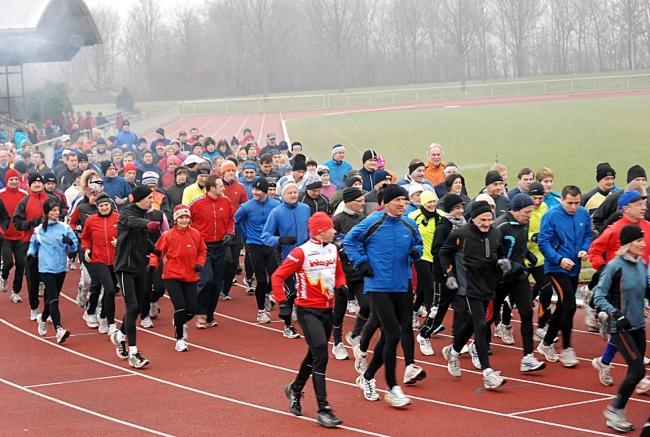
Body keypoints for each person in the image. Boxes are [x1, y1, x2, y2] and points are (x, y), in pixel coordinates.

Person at [344, 184, 423, 407]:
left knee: (391, 336)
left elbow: (418, 244)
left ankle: (367, 377)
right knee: (392, 332)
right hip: (378, 284)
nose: (402, 204)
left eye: (405, 201)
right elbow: (350, 241)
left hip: (402, 284)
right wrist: (361, 262)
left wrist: (417, 252)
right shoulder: (373, 221)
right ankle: (392, 387)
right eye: (398, 200)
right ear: (385, 202)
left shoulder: (409, 223)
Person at [272, 212, 345, 428]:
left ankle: (295, 388)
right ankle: (323, 409)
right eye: (331, 228)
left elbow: (339, 273)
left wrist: (342, 286)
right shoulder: (301, 252)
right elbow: (277, 276)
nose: (335, 230)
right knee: (321, 353)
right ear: (320, 231)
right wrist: (282, 301)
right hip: (307, 311)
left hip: (327, 310)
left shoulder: (333, 249)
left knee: (314, 355)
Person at [438, 201, 508, 389]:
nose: (486, 223)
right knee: (481, 325)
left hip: (488, 285)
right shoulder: (460, 234)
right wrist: (450, 275)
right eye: (482, 220)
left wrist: (503, 261)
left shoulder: (496, 233)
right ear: (473, 219)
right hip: (468, 287)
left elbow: (500, 253)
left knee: (472, 323)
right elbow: (443, 253)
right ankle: (487, 372)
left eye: (489, 219)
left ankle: (453, 351)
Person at [593, 225, 648, 433]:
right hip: (620, 326)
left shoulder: (642, 264)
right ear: (627, 244)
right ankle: (615, 410)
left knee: (636, 372)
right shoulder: (615, 266)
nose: (643, 244)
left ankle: (618, 409)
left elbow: (647, 289)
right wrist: (616, 313)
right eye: (638, 241)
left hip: (638, 325)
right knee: (637, 370)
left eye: (642, 241)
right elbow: (599, 296)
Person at [536, 185, 592, 367]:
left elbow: (588, 235)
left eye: (577, 203)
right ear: (562, 200)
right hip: (555, 268)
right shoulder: (551, 216)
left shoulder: (583, 214)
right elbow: (543, 242)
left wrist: (584, 249)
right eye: (570, 203)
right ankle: (567, 348)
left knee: (563, 305)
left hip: (574, 267)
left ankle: (546, 343)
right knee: (569, 304)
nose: (574, 207)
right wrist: (559, 259)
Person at [491, 193, 546, 372]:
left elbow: (520, 245)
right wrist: (505, 264)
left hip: (518, 276)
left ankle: (528, 357)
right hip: (498, 279)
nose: (529, 215)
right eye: (526, 212)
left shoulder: (525, 221)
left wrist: (527, 255)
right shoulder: (500, 226)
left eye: (531, 212)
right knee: (489, 316)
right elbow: (491, 252)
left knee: (527, 312)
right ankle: (477, 346)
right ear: (515, 210)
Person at [110, 185, 160, 369]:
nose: (151, 200)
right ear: (139, 198)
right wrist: (148, 224)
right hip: (125, 267)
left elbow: (142, 237)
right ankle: (134, 352)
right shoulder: (126, 213)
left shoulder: (144, 214)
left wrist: (155, 249)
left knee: (137, 307)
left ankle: (120, 336)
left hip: (140, 266)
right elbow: (133, 223)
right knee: (131, 307)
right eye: (148, 197)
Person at [150, 204, 206, 352]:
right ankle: (180, 339)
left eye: (186, 217)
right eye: (181, 217)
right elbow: (157, 252)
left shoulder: (195, 234)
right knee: (180, 307)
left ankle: (179, 321)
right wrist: (152, 265)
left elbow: (202, 251)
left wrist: (200, 263)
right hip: (172, 276)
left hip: (191, 276)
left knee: (192, 309)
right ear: (175, 219)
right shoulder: (168, 235)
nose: (184, 219)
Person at [417, 193, 466, 350]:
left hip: (460, 274)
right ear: (450, 209)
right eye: (457, 208)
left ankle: (458, 340)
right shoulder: (444, 226)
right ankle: (424, 334)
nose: (461, 211)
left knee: (461, 308)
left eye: (462, 207)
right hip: (443, 275)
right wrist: (447, 269)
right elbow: (436, 250)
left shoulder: (463, 224)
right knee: (438, 308)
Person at [262, 182, 310, 339]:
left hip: (305, 256)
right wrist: (281, 240)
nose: (294, 195)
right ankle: (288, 325)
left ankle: (307, 320)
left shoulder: (305, 209)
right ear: (282, 195)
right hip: (286, 257)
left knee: (307, 290)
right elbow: (265, 237)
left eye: (295, 192)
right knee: (291, 291)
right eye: (290, 193)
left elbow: (310, 230)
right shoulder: (276, 212)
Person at [28, 199, 78, 344]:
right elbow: (33, 245)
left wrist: (70, 243)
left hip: (61, 267)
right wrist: (30, 254)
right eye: (53, 211)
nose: (56, 213)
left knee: (51, 298)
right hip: (45, 268)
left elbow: (74, 247)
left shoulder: (64, 227)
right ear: (47, 213)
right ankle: (59, 329)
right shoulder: (39, 230)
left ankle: (43, 318)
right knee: (54, 299)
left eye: (58, 210)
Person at [189, 176, 234, 328]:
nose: (224, 188)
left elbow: (230, 219)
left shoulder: (226, 201)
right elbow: (185, 220)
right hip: (203, 247)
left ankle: (210, 314)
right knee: (206, 280)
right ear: (212, 188)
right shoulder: (196, 204)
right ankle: (200, 313)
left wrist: (229, 233)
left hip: (221, 246)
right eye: (221, 185)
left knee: (216, 283)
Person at [234, 178, 280, 323]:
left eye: (258, 190)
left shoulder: (276, 205)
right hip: (254, 245)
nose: (255, 192)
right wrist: (244, 234)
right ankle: (261, 311)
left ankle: (267, 294)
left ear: (265, 192)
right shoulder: (246, 207)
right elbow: (235, 220)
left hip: (270, 245)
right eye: (253, 189)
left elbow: (282, 220)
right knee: (260, 280)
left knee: (274, 276)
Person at [13, 173, 58, 316]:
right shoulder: (24, 202)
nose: (37, 184)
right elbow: (17, 222)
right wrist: (31, 224)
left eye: (39, 181)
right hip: (30, 243)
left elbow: (62, 213)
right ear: (29, 185)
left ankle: (49, 309)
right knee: (33, 278)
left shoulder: (52, 199)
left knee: (50, 278)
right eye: (34, 182)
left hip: (50, 244)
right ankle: (34, 307)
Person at [332, 187, 367, 355]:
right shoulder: (337, 220)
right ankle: (337, 343)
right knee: (339, 310)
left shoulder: (363, 218)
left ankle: (355, 334)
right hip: (342, 273)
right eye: (359, 201)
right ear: (349, 202)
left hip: (359, 271)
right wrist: (343, 245)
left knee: (367, 306)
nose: (363, 203)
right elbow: (330, 242)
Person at [80, 193, 119, 335]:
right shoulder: (91, 220)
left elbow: (125, 235)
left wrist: (119, 242)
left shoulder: (118, 218)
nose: (104, 208)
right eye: (101, 206)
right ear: (97, 207)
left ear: (110, 205)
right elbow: (85, 238)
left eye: (106, 205)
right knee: (109, 289)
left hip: (115, 260)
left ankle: (102, 314)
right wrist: (87, 249)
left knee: (113, 289)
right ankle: (109, 322)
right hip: (98, 259)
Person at [408, 190, 442, 336]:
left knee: (422, 288)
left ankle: (414, 311)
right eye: (429, 202)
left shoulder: (441, 216)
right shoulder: (413, 217)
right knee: (430, 287)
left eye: (434, 201)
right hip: (420, 257)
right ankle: (431, 321)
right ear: (422, 203)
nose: (432, 204)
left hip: (435, 257)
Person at [525, 182, 553, 340]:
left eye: (540, 198)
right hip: (524, 257)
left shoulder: (544, 208)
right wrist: (532, 236)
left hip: (541, 258)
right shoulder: (523, 208)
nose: (536, 201)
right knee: (514, 295)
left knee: (547, 290)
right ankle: (505, 322)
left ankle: (542, 326)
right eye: (534, 198)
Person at [0, 169, 28, 298]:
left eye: (16, 179)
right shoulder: (1, 194)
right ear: (7, 181)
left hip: (20, 235)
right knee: (8, 263)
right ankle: (4, 276)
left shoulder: (24, 194)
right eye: (11, 179)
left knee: (21, 264)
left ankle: (15, 292)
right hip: (5, 236)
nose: (14, 181)